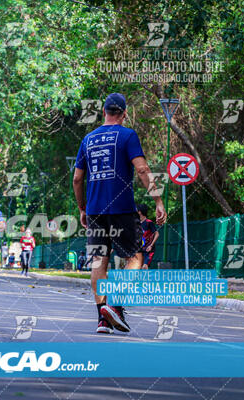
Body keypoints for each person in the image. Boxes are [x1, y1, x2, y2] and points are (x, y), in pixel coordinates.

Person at [73, 93, 166, 335]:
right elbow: (143, 169)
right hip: (122, 209)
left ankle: (102, 320)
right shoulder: (127, 135)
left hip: (95, 212)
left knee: (98, 262)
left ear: (104, 112)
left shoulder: (88, 139)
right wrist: (157, 200)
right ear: (124, 113)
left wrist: (82, 208)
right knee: (135, 258)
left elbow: (77, 179)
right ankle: (115, 305)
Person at [137, 203, 159, 269]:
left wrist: (151, 245)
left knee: (144, 266)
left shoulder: (149, 222)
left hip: (148, 250)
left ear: (140, 212)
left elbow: (157, 234)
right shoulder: (137, 223)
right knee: (139, 267)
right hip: (140, 250)